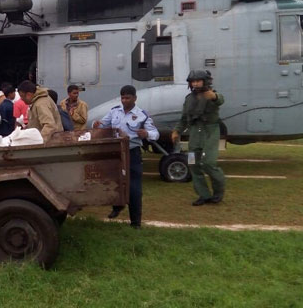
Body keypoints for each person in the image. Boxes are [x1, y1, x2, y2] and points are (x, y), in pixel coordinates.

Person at [93, 85, 159, 229]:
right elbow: (103, 124)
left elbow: (155, 133)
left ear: (135, 98)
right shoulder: (114, 111)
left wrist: (146, 134)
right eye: (122, 97)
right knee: (114, 182)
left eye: (127, 98)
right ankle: (117, 206)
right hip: (116, 152)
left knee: (134, 188)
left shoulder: (142, 115)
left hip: (132, 153)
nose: (124, 100)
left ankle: (135, 222)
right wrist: (97, 124)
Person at [171, 70, 226, 206]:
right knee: (192, 163)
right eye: (193, 81)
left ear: (205, 81)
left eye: (198, 80)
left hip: (210, 132)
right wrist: (177, 130)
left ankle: (218, 193)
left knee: (208, 163)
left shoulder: (212, 95)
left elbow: (220, 99)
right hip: (195, 133)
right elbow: (184, 118)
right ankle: (203, 195)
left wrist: (213, 96)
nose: (195, 83)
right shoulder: (189, 98)